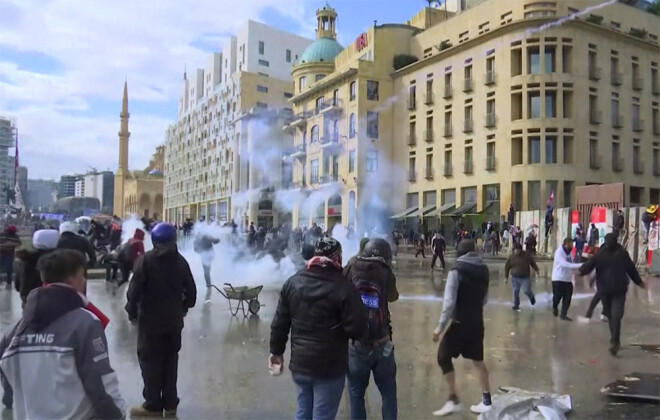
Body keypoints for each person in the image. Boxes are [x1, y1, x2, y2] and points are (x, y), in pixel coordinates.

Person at [0, 249, 125, 419]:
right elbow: (99, 381)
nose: (85, 280)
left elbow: (8, 386)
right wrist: (115, 414)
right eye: (82, 274)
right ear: (71, 279)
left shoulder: (14, 332)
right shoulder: (84, 323)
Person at [269, 237, 367, 420]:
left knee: (303, 413)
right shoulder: (344, 287)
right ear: (337, 257)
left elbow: (279, 323)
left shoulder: (293, 282)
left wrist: (276, 352)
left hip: (300, 366)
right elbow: (358, 329)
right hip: (330, 368)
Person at [125, 223, 197, 418]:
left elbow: (134, 292)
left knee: (150, 362)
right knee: (170, 361)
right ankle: (171, 404)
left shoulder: (145, 261)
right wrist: (181, 309)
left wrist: (131, 312)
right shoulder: (181, 262)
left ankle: (153, 404)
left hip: (150, 322)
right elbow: (192, 295)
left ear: (155, 241)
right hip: (173, 323)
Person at [432, 240, 492, 416]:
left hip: (459, 323)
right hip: (476, 322)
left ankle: (453, 399)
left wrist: (440, 327)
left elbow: (449, 302)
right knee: (478, 361)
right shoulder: (484, 270)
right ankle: (487, 402)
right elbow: (485, 299)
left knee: (443, 357)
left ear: (459, 253)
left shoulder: (456, 270)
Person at [344, 238, 399, 420]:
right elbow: (393, 297)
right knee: (388, 395)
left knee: (356, 395)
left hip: (356, 344)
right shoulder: (385, 273)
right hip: (382, 342)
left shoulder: (351, 268)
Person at [579, 233, 645, 356]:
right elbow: (591, 263)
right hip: (605, 290)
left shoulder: (621, 254)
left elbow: (631, 269)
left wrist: (639, 282)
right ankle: (614, 340)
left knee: (616, 315)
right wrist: (582, 271)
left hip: (618, 290)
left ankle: (614, 341)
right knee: (610, 315)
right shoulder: (602, 253)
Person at [15, 229, 59, 305]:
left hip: (29, 303)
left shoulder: (24, 261)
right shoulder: (59, 261)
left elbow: (17, 286)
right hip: (53, 304)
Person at [551, 238, 583, 321]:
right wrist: (580, 265)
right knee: (558, 296)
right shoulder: (559, 252)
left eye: (572, 245)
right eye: (570, 244)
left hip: (567, 280)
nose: (572, 246)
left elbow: (571, 264)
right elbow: (564, 264)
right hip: (558, 279)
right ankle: (555, 306)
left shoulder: (569, 253)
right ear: (565, 244)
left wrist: (577, 271)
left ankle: (563, 314)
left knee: (568, 297)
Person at [504, 243, 539, 311]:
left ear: (520, 250)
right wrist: (506, 277)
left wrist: (536, 269)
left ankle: (531, 297)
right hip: (515, 277)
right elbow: (507, 267)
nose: (516, 252)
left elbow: (532, 262)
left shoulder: (526, 255)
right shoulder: (511, 257)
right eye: (515, 250)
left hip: (525, 277)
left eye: (518, 250)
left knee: (526, 290)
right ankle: (516, 304)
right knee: (515, 291)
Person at [0, 225, 21, 289]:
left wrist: (10, 244)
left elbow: (19, 243)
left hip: (9, 254)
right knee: (8, 269)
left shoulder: (15, 236)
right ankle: (7, 283)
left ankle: (8, 283)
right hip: (3, 254)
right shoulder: (2, 234)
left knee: (8, 269)